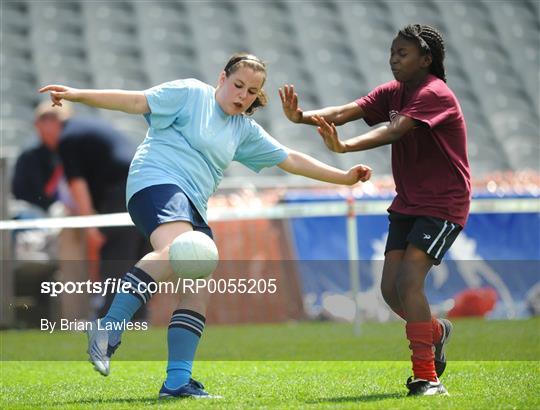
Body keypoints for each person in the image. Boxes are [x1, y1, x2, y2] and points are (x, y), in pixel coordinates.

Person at [40, 52, 372, 399]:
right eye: (238, 85)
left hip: (192, 203)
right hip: (156, 182)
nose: (242, 95)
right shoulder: (190, 93)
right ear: (222, 79)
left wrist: (343, 178)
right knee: (176, 251)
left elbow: (290, 158)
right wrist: (76, 94)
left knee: (198, 280)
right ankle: (107, 328)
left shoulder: (243, 130)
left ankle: (177, 381)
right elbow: (137, 100)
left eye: (251, 91)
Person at [280, 24, 470, 396]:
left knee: (408, 282)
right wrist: (300, 117)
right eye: (393, 52)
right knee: (389, 291)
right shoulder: (394, 92)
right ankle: (436, 331)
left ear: (426, 59)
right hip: (408, 202)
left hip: (443, 203)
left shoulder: (435, 93)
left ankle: (426, 377)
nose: (394, 58)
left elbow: (396, 130)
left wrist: (345, 148)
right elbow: (345, 110)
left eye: (403, 53)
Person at [11, 102, 150, 319]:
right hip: (145, 189)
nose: (41, 136)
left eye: (41, 126)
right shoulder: (85, 128)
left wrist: (90, 227)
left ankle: (112, 322)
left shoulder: (68, 138)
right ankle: (138, 320)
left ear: (51, 123)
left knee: (117, 260)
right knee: (138, 262)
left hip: (122, 194)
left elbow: (78, 185)